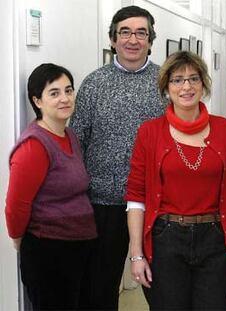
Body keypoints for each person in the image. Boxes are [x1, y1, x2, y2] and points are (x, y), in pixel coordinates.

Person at [125, 51, 226, 310]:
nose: (186, 86)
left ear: (203, 84)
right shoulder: (149, 132)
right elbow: (136, 196)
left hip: (215, 238)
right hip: (166, 239)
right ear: (167, 88)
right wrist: (136, 254)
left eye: (194, 79)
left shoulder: (224, 129)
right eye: (177, 80)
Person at [69, 5, 164, 310]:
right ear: (113, 40)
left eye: (141, 33)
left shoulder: (168, 82)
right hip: (102, 205)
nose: (133, 40)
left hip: (157, 207)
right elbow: (77, 141)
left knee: (163, 289)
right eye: (125, 32)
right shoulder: (93, 84)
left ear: (150, 40)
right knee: (99, 290)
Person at [4, 63, 97, 310]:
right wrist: (17, 238)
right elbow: (16, 205)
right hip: (49, 251)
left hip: (79, 245)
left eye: (68, 90)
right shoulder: (34, 145)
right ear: (37, 101)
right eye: (54, 93)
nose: (65, 98)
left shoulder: (70, 136)